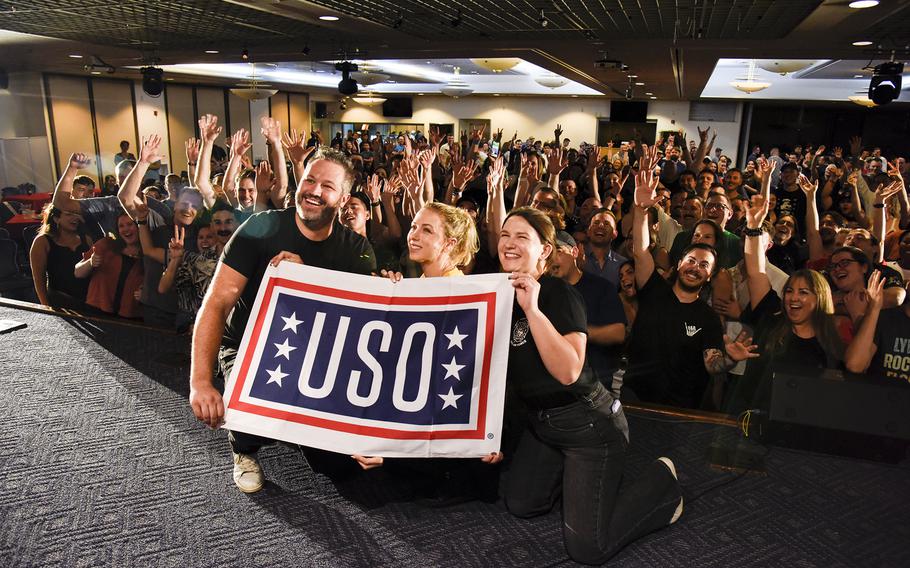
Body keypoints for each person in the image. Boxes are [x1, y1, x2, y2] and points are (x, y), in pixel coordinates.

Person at [498, 206, 684, 565]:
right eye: (505, 235)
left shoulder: (557, 293)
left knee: (587, 549)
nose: (509, 243)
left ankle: (663, 480)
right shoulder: (498, 293)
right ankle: (574, 480)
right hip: (542, 426)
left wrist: (533, 311)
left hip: (589, 428)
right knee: (522, 505)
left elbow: (568, 370)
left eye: (522, 237)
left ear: (546, 250)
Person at [189, 149, 377, 494]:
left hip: (317, 356)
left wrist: (307, 280)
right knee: (249, 419)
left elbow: (359, 331)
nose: (314, 190)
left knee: (344, 471)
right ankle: (243, 448)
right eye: (309, 179)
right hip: (250, 347)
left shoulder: (357, 249)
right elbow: (217, 302)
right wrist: (201, 382)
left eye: (327, 186)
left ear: (344, 198)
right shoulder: (262, 226)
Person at [625, 145, 757, 409]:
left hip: (681, 409)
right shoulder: (653, 289)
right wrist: (640, 210)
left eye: (704, 265)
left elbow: (712, 364)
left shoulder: (707, 318)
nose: (696, 267)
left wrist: (729, 359)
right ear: (680, 262)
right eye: (692, 261)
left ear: (709, 276)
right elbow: (640, 251)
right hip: (634, 400)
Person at [723, 193, 844, 414]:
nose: (793, 297)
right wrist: (753, 227)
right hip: (749, 423)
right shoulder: (772, 318)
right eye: (789, 291)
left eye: (803, 292)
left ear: (820, 299)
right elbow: (756, 272)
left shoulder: (829, 343)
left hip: (797, 433)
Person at [549, 230, 627, 388]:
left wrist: (573, 332)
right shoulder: (542, 291)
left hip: (594, 387)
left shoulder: (601, 287)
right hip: (554, 386)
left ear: (575, 252)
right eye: (547, 253)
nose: (551, 259)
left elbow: (618, 333)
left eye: (558, 250)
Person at [74, 213, 144, 319]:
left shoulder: (148, 253)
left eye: (130, 224)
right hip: (97, 311)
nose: (126, 229)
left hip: (130, 317)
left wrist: (146, 294)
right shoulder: (106, 244)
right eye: (121, 226)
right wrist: (90, 262)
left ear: (139, 226)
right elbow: (77, 272)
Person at [29, 204, 92, 310]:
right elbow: (39, 279)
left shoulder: (86, 239)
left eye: (77, 214)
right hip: (59, 300)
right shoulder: (42, 242)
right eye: (69, 214)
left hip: (88, 300)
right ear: (56, 218)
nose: (75, 218)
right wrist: (46, 307)